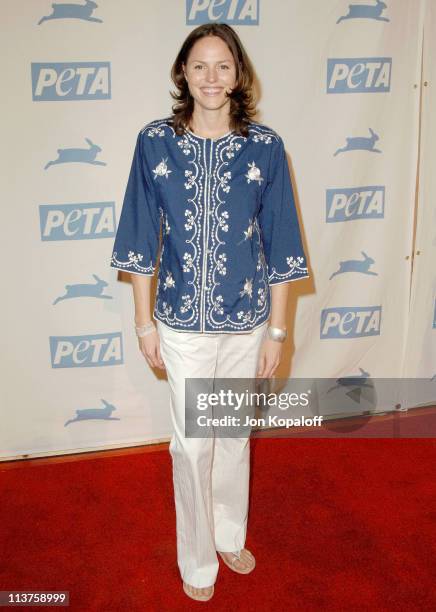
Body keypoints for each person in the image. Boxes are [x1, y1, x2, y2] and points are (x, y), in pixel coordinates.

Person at [110, 22, 309, 602]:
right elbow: (141, 239)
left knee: (234, 434)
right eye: (200, 66)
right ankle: (196, 562)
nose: (212, 78)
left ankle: (228, 533)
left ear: (239, 74)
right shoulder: (155, 143)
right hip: (179, 323)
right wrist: (144, 322)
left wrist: (277, 330)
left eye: (223, 66)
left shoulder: (267, 148)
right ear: (183, 73)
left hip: (247, 324)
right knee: (192, 444)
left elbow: (282, 244)